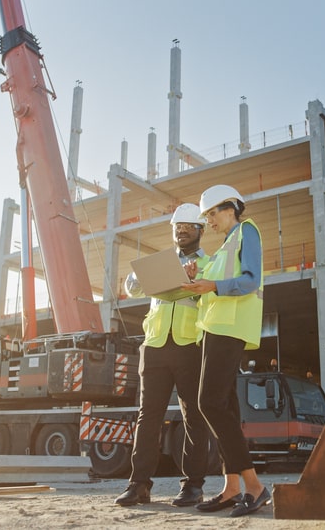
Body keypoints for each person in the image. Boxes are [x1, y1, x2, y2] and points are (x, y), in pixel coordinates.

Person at [114, 203, 212, 508]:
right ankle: (138, 485)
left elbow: (209, 296)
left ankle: (193, 486)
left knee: (193, 417)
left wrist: (193, 281)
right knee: (148, 417)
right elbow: (131, 288)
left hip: (189, 346)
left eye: (187, 227)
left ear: (200, 230)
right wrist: (137, 277)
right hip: (155, 345)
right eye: (177, 227)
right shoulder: (162, 262)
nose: (181, 231)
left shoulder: (210, 263)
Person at [182, 184, 270, 518]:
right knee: (226, 409)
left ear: (230, 207)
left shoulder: (247, 232)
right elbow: (214, 281)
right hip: (213, 330)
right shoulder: (223, 247)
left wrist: (213, 285)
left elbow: (250, 280)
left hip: (229, 329)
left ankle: (256, 487)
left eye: (211, 214)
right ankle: (232, 488)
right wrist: (199, 276)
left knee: (209, 403)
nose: (209, 221)